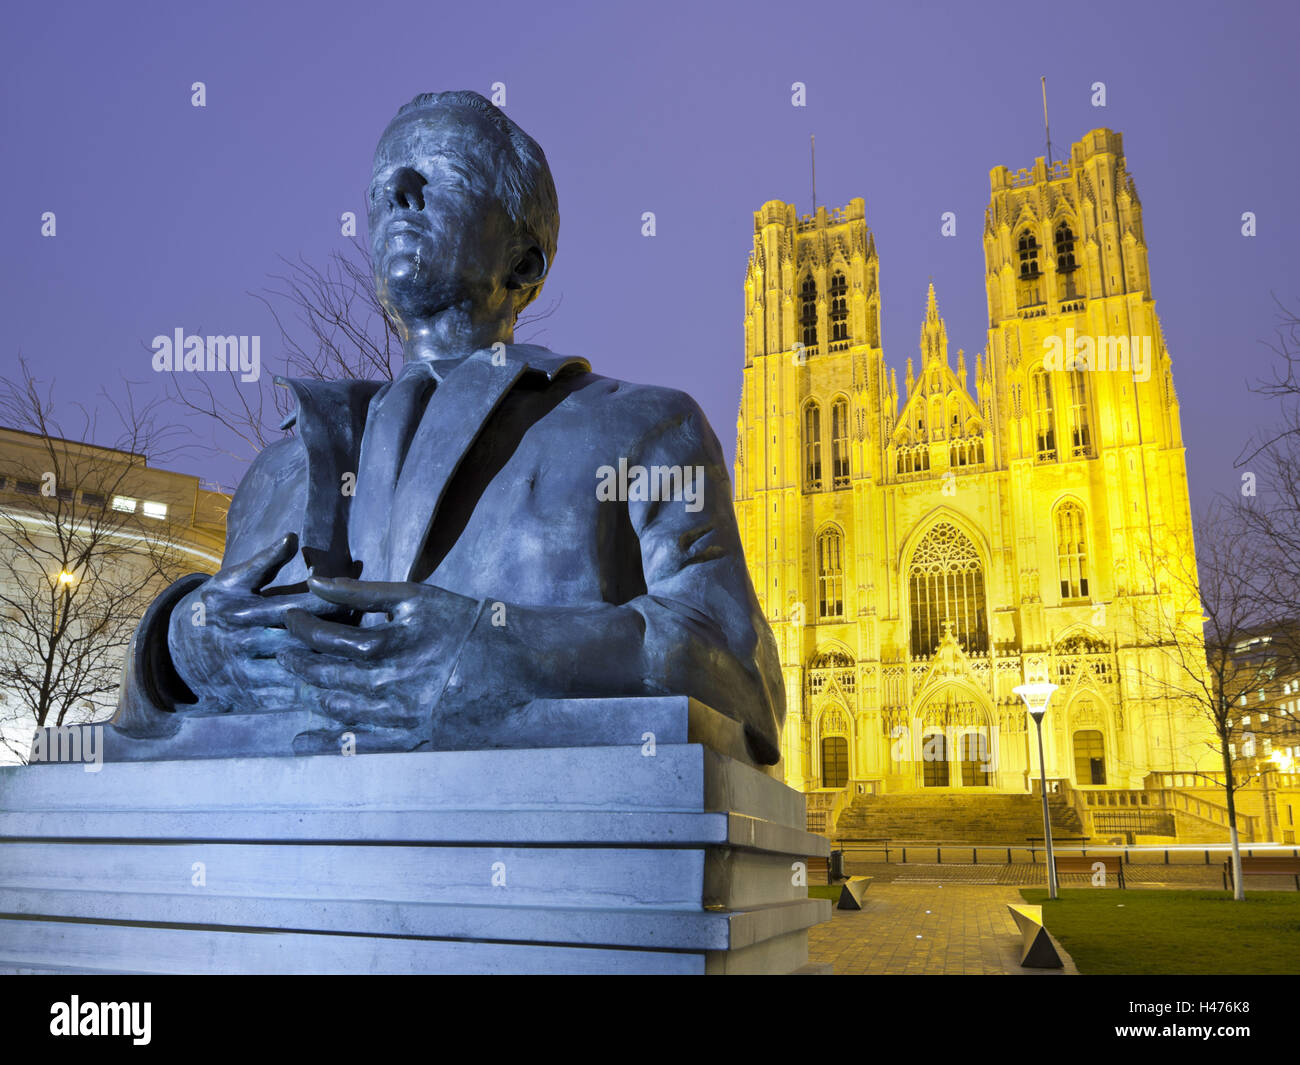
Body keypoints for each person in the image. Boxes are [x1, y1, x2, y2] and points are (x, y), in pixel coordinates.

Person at [114, 91, 784, 764]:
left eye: (447, 171)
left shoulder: (643, 426)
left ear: (524, 261)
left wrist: (505, 653)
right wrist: (178, 644)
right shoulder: (281, 468)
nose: (399, 190)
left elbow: (739, 667)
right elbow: (148, 719)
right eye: (382, 186)